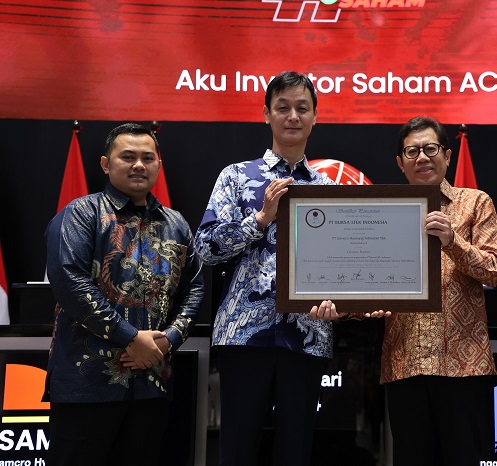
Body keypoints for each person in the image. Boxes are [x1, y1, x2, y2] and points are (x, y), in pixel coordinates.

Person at [194, 71, 350, 466]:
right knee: (237, 450)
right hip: (242, 336)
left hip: (308, 334)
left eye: (302, 108)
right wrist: (260, 219)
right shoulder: (235, 176)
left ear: (315, 117)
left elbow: (345, 264)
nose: (292, 116)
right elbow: (206, 249)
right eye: (283, 108)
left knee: (295, 452)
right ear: (266, 114)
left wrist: (343, 304)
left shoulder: (330, 189)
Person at [44, 123, 204, 466]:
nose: (139, 165)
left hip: (152, 382)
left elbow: (195, 288)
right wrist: (130, 337)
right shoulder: (81, 214)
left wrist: (169, 340)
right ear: (106, 164)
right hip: (87, 384)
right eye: (128, 157)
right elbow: (70, 283)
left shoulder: (176, 224)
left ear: (158, 164)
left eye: (147, 158)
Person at [381, 115, 497, 465]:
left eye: (430, 149)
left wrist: (453, 241)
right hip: (405, 363)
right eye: (412, 151)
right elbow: (370, 280)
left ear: (447, 156)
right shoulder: (384, 211)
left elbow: (495, 271)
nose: (422, 157)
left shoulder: (476, 202)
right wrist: (351, 306)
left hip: (462, 367)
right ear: (400, 162)